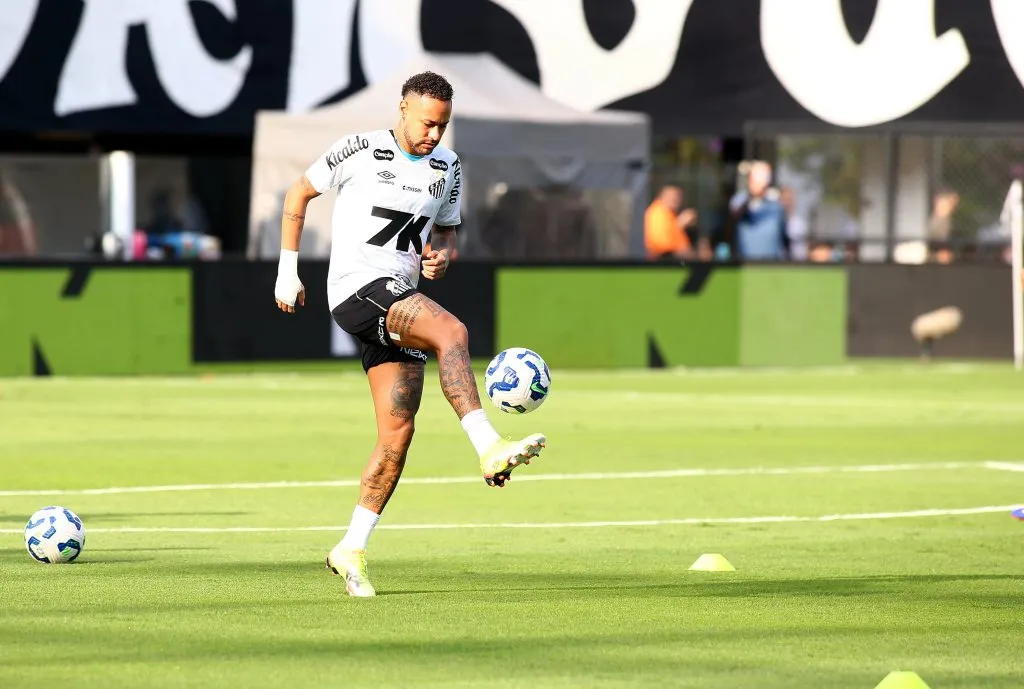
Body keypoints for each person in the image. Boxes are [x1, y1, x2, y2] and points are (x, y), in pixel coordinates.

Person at [273, 71, 546, 597]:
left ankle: (350, 547)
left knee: (397, 435)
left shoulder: (448, 168)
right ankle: (488, 444)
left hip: (398, 293)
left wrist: (440, 256)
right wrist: (288, 270)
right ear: (402, 109)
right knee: (452, 331)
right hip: (358, 290)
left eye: (442, 126)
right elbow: (298, 192)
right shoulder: (358, 149)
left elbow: (443, 229)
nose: (433, 135)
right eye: (426, 123)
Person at [728, 161, 788, 260]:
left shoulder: (776, 204)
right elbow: (735, 213)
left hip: (771, 264)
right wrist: (752, 195)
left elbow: (784, 234)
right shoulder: (740, 200)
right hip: (746, 265)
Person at [644, 184, 698, 260]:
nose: (676, 200)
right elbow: (662, 245)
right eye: (673, 196)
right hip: (665, 261)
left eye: (678, 197)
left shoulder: (669, 214)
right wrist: (680, 223)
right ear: (662, 196)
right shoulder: (657, 213)